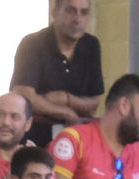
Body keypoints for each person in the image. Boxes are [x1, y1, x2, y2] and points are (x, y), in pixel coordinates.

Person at [10, 0, 102, 148]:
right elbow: (24, 97)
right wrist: (66, 113)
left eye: (83, 12)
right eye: (71, 11)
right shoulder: (32, 44)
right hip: (34, 140)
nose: (77, 19)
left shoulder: (91, 45)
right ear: (54, 13)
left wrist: (66, 99)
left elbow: (94, 103)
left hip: (76, 141)